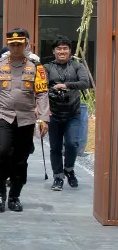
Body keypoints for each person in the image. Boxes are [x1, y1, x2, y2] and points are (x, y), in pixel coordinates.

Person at [0, 28, 50, 213]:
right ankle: (0, 193)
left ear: (26, 44)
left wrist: (43, 118)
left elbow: (42, 93)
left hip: (26, 119)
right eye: (12, 44)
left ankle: (15, 196)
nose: (16, 47)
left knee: (20, 159)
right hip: (3, 116)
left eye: (19, 44)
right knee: (2, 153)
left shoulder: (35, 67)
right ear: (8, 45)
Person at [43, 36, 91, 190]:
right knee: (55, 147)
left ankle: (69, 169)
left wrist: (65, 85)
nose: (62, 51)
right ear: (54, 51)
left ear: (70, 51)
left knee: (72, 144)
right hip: (54, 113)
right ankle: (58, 177)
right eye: (59, 49)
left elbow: (85, 83)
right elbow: (40, 88)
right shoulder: (47, 68)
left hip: (73, 113)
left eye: (65, 48)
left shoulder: (77, 66)